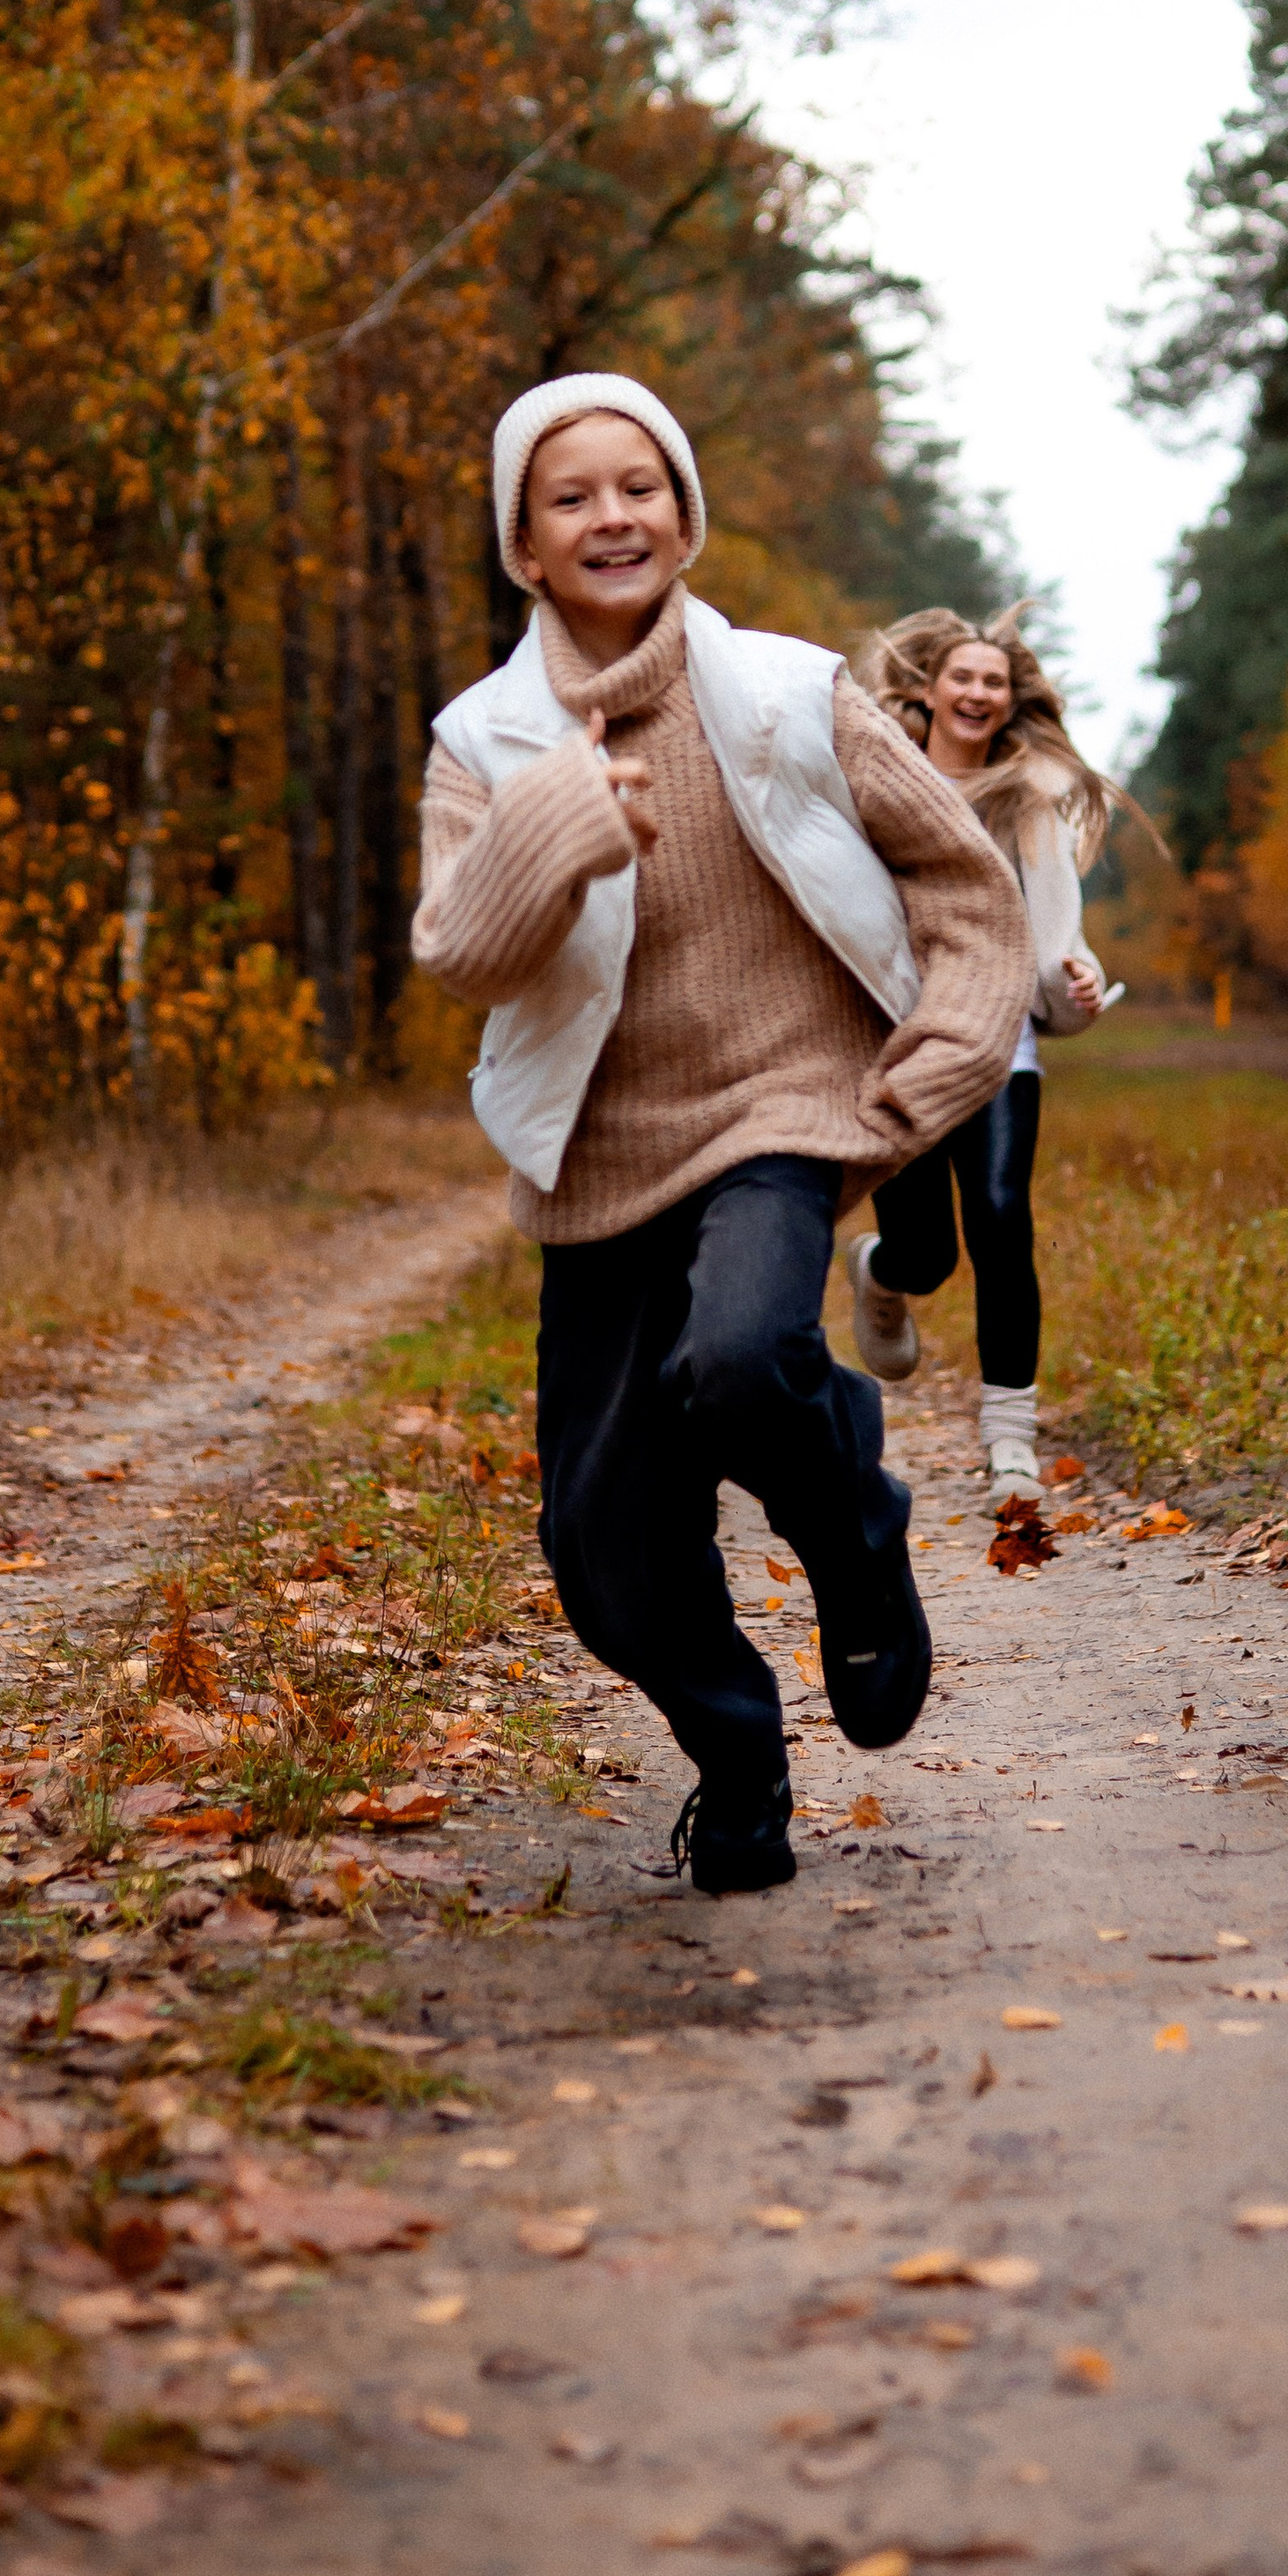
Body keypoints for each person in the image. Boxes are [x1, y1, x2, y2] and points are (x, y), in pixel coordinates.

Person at [410, 377, 1032, 1896]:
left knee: (745, 1354)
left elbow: (967, 895)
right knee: (603, 1554)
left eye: (641, 486)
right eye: (572, 498)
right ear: (526, 550)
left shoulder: (789, 691)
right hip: (598, 1156)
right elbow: (458, 954)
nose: (611, 513)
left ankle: (857, 1539)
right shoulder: (484, 739)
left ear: (685, 520)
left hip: (784, 1108)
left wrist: (924, 1082)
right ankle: (740, 1754)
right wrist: (553, 830)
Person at [845, 605, 1148, 1495]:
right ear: (932, 689)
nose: (978, 692)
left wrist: (1079, 976)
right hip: (899, 1039)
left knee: (1002, 1216)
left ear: (1009, 701)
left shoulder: (1028, 798)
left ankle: (1008, 1434)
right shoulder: (876, 774)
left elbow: (1059, 925)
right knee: (929, 1251)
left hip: (1002, 1038)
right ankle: (883, 1271)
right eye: (964, 677)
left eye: (994, 681)